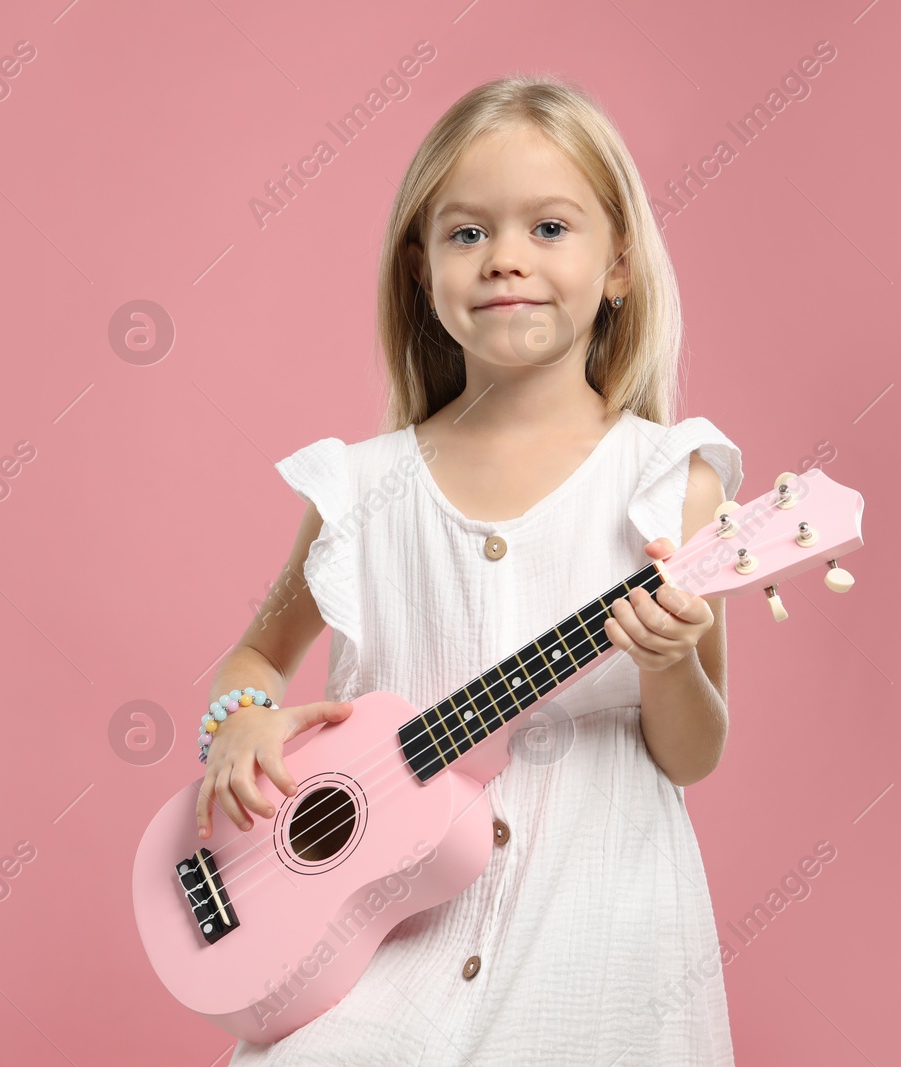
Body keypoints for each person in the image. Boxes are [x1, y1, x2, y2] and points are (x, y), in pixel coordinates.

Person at [195, 74, 742, 1066]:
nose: (505, 261)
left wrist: (669, 662)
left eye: (549, 228)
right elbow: (254, 654)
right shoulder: (357, 492)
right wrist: (238, 723)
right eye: (466, 233)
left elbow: (694, 752)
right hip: (377, 942)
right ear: (418, 269)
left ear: (617, 263)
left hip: (596, 939)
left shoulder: (671, 484)